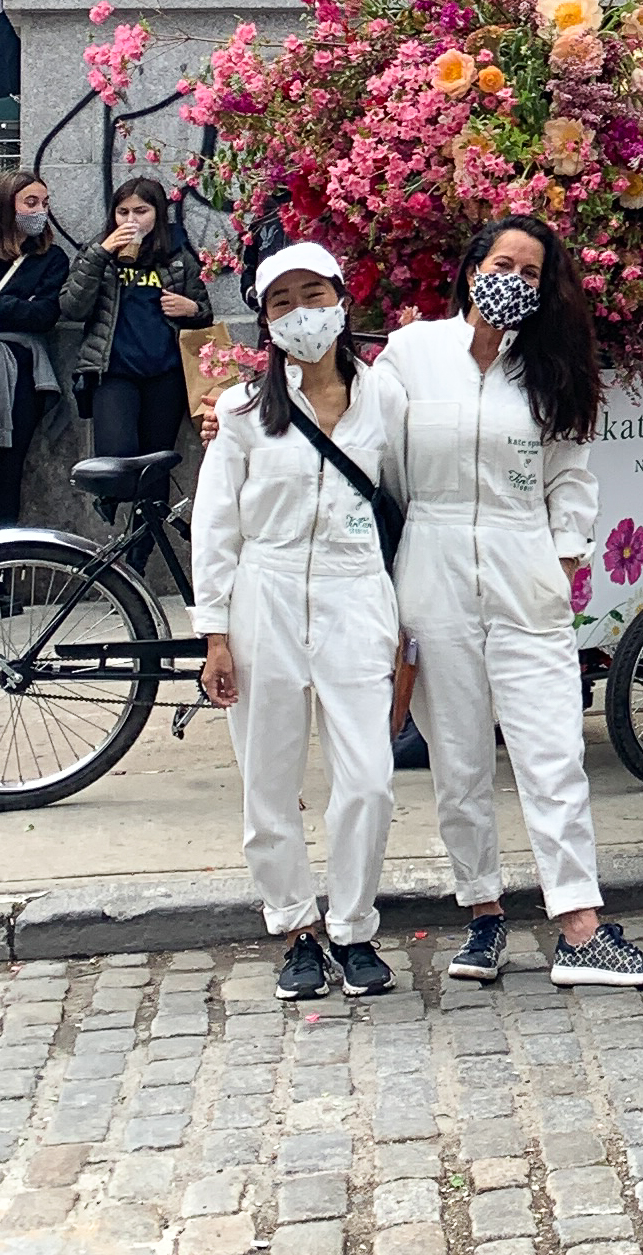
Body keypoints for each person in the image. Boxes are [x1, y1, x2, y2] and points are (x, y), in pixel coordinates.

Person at [381, 216, 643, 988]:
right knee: (459, 757)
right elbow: (370, 450)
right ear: (472, 267)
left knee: (552, 751)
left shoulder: (552, 369)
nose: (512, 278)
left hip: (525, 564)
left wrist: (563, 557)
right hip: (432, 564)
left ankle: (580, 925)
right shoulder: (412, 353)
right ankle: (483, 913)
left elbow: (571, 476)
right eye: (501, 262)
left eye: (530, 271)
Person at [192, 243, 407, 1002]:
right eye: (282, 302)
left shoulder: (387, 398)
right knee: (269, 781)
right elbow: (216, 527)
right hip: (266, 595)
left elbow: (407, 501)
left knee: (369, 779)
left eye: (312, 295)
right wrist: (215, 634)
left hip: (356, 594)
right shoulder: (242, 413)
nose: (300, 313)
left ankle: (353, 925)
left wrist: (405, 619)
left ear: (341, 299)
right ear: (266, 320)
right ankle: (295, 928)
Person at [59, 175, 212, 460]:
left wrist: (192, 309)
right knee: (115, 457)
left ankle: (152, 494)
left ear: (158, 213)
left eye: (141, 211)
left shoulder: (177, 255)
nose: (131, 220)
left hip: (165, 374)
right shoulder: (98, 252)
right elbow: (72, 308)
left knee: (157, 461)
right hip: (113, 372)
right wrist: (101, 254)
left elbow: (204, 314)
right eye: (123, 212)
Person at [0, 171, 72, 531]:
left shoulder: (51, 258)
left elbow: (45, 315)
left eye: (45, 203)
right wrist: (19, 303)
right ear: (6, 205)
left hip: (21, 376)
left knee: (8, 475)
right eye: (30, 202)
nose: (40, 211)